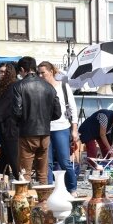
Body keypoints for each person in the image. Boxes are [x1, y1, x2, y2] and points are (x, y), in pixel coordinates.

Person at [13, 56, 61, 182]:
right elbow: (57, 113)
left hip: (27, 133)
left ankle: (25, 200)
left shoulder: (19, 86)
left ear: (23, 69)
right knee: (43, 172)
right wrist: (45, 119)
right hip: (45, 133)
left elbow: (16, 112)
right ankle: (43, 200)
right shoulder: (49, 86)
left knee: (25, 172)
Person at [37, 61, 78, 195]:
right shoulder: (39, 88)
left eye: (43, 72)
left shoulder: (63, 87)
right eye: (39, 73)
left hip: (62, 127)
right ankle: (48, 190)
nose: (41, 75)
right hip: (45, 129)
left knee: (64, 161)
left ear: (51, 72)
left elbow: (73, 108)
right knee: (46, 162)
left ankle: (72, 188)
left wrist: (74, 129)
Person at [0, 62, 19, 177]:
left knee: (15, 164)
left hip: (11, 131)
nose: (3, 74)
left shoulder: (12, 87)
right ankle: (5, 192)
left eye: (5, 72)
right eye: (1, 71)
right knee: (2, 165)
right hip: (1, 130)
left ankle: (22, 190)